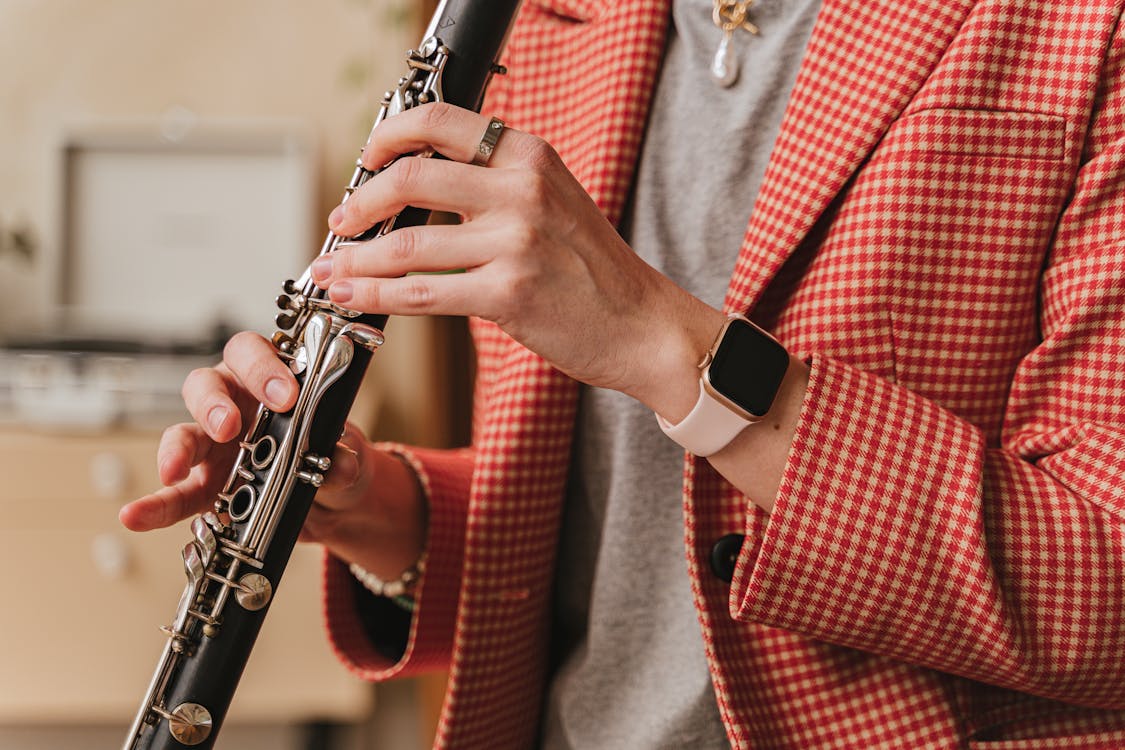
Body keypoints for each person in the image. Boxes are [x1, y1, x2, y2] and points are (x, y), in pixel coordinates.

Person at [120, 0, 1125, 747]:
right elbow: (635, 535)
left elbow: (1105, 582)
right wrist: (384, 511)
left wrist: (661, 337)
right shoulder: (552, 20)